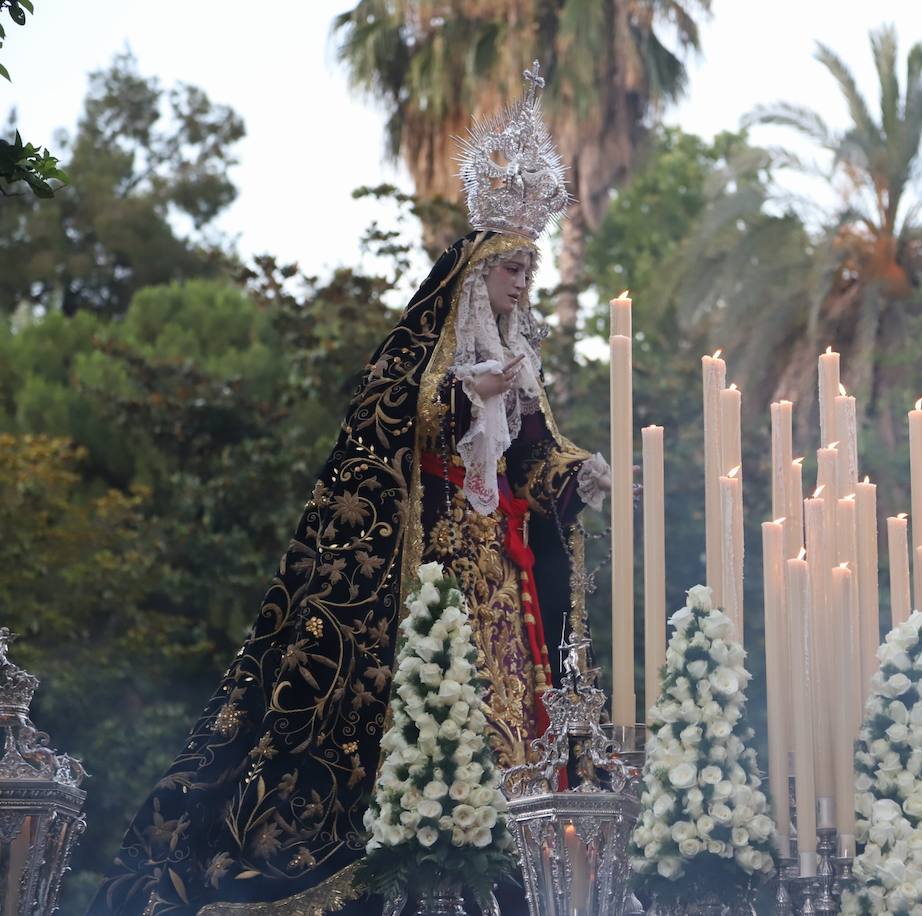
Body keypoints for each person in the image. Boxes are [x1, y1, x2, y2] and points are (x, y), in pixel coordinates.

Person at [87, 61, 609, 916]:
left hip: (502, 573)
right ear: (475, 276)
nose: (523, 284)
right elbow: (383, 421)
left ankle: (513, 854)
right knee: (431, 694)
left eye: (529, 270)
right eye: (512, 270)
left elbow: (532, 458)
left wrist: (576, 473)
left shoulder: (521, 365)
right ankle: (423, 846)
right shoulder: (424, 354)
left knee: (512, 701)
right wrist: (458, 398)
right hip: (427, 569)